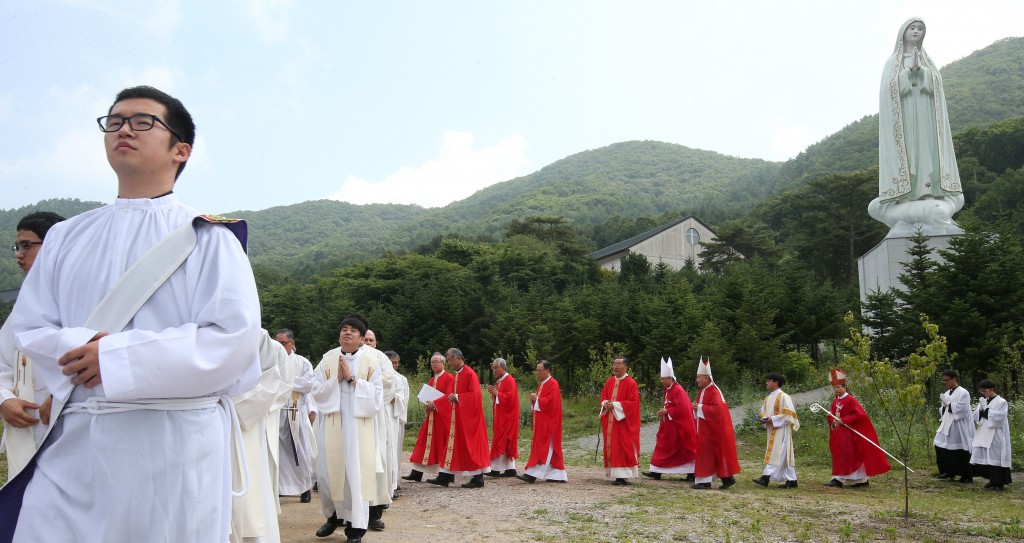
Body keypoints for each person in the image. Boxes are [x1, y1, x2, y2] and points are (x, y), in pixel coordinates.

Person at [1, 85, 262, 542]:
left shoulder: (209, 238)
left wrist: (118, 358)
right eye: (115, 120)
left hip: (173, 447)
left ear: (181, 149)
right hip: (78, 438)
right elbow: (29, 326)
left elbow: (233, 341)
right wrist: (79, 353)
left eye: (143, 121)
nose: (124, 128)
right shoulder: (65, 237)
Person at [870, 17, 964, 236]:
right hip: (904, 121)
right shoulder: (892, 62)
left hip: (925, 116)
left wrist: (921, 72)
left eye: (920, 28)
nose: (916, 31)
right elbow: (888, 92)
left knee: (926, 151)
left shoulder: (928, 61)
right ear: (903, 32)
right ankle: (908, 192)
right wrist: (908, 72)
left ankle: (929, 190)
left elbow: (936, 88)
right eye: (912, 28)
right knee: (911, 153)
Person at [1, 211, 65, 482]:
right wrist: (5, 399)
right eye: (18, 246)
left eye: (27, 245)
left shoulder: (83, 301)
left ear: (55, 244)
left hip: (71, 428)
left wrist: (65, 397)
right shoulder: (22, 308)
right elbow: (2, 362)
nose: (19, 254)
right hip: (26, 425)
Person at [310, 317, 383, 542]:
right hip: (332, 424)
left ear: (362, 338)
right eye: (344, 329)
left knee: (355, 474)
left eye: (353, 331)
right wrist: (336, 381)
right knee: (326, 473)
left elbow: (377, 397)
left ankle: (356, 528)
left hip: (357, 427)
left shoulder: (371, 360)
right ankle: (333, 516)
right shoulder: (328, 359)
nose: (347, 333)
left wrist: (352, 379)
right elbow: (315, 388)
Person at [230, 330, 289, 543]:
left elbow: (276, 382)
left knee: (248, 487)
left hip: (245, 421)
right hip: (198, 423)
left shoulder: (260, 338)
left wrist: (226, 406)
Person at [428, 348, 491, 488]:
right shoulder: (456, 374)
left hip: (470, 420)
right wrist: (437, 403)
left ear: (458, 358)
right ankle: (444, 476)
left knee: (471, 447)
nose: (449, 363)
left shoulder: (469, 373)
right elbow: (449, 394)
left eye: (450, 360)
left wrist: (457, 397)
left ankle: (478, 478)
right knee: (453, 446)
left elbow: (476, 396)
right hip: (458, 418)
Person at [824, 369, 890, 488]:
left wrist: (843, 420)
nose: (836, 390)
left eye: (838, 387)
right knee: (839, 454)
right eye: (834, 388)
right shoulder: (835, 402)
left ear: (844, 387)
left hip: (849, 433)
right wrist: (833, 421)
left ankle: (848, 479)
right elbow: (831, 415)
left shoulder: (851, 400)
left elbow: (859, 415)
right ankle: (854, 480)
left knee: (850, 455)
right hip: (838, 434)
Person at [357, 325, 394, 532]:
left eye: (372, 340)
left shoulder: (381, 358)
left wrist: (359, 387)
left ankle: (374, 514)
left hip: (373, 418)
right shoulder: (343, 355)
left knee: (375, 463)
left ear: (376, 342)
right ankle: (349, 514)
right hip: (349, 419)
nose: (368, 344)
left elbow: (388, 383)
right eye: (366, 340)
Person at [273, 328, 317, 503]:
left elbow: (308, 384)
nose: (280, 346)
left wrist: (285, 383)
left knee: (301, 452)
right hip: (276, 413)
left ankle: (304, 487)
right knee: (279, 454)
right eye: (277, 343)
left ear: (292, 343)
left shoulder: (302, 362)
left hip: (295, 413)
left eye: (283, 343)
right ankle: (281, 487)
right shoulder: (271, 361)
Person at [642, 358, 696, 481]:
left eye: (663, 379)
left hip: (678, 426)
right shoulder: (668, 390)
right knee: (662, 446)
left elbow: (683, 408)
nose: (662, 381)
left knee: (682, 449)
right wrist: (665, 411)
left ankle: (691, 473)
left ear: (670, 378)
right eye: (661, 379)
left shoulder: (678, 390)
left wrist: (667, 411)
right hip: (669, 425)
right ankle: (656, 470)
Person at [403, 352, 453, 482]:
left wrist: (435, 403)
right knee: (422, 442)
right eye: (432, 362)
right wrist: (427, 403)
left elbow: (449, 396)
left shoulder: (449, 378)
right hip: (431, 417)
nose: (434, 364)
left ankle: (444, 474)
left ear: (443, 363)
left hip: (442, 418)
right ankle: (417, 472)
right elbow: (428, 396)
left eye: (436, 361)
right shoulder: (432, 379)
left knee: (440, 444)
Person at [692, 357, 740, 490]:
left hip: (713, 428)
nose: (697, 380)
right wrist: (697, 407)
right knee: (711, 453)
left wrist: (700, 407)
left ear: (707, 378)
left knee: (710, 453)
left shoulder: (714, 391)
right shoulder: (704, 390)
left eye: (699, 377)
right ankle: (726, 478)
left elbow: (717, 409)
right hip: (706, 428)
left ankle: (705, 481)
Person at [517, 360, 567, 483]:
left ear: (547, 370)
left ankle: (531, 474)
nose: (537, 373)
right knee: (549, 449)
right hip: (542, 422)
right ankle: (557, 475)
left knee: (543, 449)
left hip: (549, 423)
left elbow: (552, 403)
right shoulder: (542, 384)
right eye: (536, 370)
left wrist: (537, 399)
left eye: (540, 370)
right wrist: (535, 400)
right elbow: (541, 402)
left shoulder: (553, 383)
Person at [752, 372, 799, 489]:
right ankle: (792, 480)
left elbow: (788, 414)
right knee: (783, 455)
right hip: (771, 429)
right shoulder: (767, 398)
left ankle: (766, 477)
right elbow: (764, 411)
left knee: (778, 452)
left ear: (776, 383)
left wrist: (772, 419)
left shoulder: (784, 396)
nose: (766, 383)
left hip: (781, 429)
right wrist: (764, 419)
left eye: (769, 381)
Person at [599, 356, 640, 485]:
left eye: (618, 364)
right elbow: (604, 396)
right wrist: (605, 403)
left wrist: (616, 405)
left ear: (626, 367)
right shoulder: (609, 381)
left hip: (623, 422)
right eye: (614, 364)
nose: (615, 366)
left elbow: (633, 403)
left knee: (623, 446)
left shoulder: (631, 383)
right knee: (613, 447)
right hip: (611, 421)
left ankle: (623, 476)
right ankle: (614, 474)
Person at [970, 379, 1012, 491]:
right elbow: (976, 416)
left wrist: (987, 409)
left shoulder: (1001, 402)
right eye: (981, 391)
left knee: (996, 457)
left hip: (996, 433)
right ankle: (992, 480)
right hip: (984, 432)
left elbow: (999, 419)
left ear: (991, 389)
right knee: (987, 458)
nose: (983, 393)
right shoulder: (984, 401)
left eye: (984, 391)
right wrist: (982, 409)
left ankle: (999, 483)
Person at [934, 369, 974, 483]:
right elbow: (943, 409)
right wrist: (944, 407)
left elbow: (963, 409)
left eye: (947, 380)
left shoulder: (963, 392)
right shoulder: (947, 393)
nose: (945, 382)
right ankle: (947, 471)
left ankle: (966, 475)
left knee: (960, 449)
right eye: (944, 381)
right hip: (947, 424)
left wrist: (949, 405)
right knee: (940, 445)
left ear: (954, 379)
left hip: (958, 425)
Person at [486, 357, 519, 478]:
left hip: (507, 417)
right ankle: (509, 468)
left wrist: (496, 393)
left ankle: (496, 469)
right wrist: (495, 395)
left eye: (496, 368)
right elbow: (500, 397)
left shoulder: (509, 380)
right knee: (501, 441)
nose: (494, 370)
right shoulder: (500, 381)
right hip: (501, 416)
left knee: (502, 441)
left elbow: (510, 399)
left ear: (503, 368)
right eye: (493, 368)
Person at [384, 350, 409, 498]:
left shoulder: (401, 379)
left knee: (396, 451)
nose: (395, 365)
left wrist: (390, 396)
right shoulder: (380, 375)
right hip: (381, 416)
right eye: (393, 362)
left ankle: (395, 480)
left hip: (395, 417)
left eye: (397, 362)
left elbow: (403, 399)